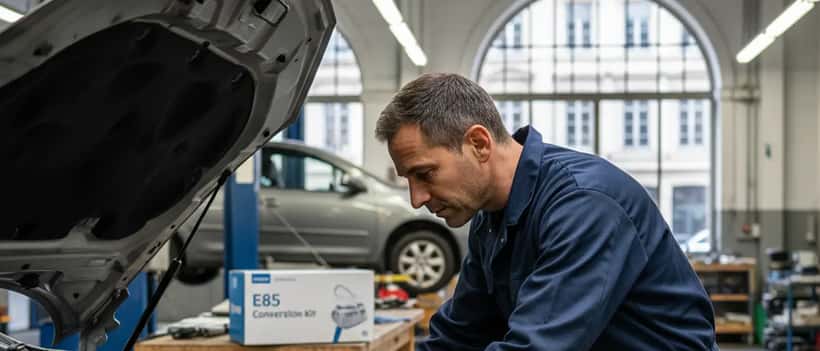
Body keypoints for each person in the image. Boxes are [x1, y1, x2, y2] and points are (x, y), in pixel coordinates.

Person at [375, 73, 718, 350]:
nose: (416, 198)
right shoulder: (491, 217)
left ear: (479, 144)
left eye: (425, 174)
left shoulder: (584, 204)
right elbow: (460, 335)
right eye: (408, 179)